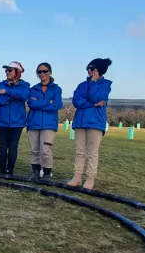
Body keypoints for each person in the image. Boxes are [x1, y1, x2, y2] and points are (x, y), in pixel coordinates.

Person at [69, 58, 113, 190]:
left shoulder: (106, 85)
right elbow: (76, 101)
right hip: (80, 122)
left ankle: (90, 179)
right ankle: (77, 177)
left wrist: (93, 84)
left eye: (92, 69)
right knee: (79, 151)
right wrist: (93, 104)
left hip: (95, 123)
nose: (89, 71)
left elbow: (97, 97)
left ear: (99, 70)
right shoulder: (81, 85)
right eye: (88, 69)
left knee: (92, 152)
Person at [0, 61, 30, 176]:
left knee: (13, 146)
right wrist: (8, 99)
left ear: (17, 72)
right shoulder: (1, 84)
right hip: (2, 121)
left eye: (10, 70)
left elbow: (23, 95)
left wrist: (7, 91)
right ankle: (2, 170)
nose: (7, 72)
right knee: (2, 146)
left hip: (17, 122)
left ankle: (10, 169)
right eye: (6, 70)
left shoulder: (24, 85)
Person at [26, 62, 63, 179]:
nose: (42, 74)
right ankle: (35, 173)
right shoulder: (33, 89)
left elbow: (57, 105)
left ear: (50, 72)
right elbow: (31, 104)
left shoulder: (56, 89)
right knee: (34, 150)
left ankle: (47, 174)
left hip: (49, 124)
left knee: (45, 150)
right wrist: (48, 102)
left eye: (45, 71)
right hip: (33, 123)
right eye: (39, 72)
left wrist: (39, 103)